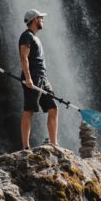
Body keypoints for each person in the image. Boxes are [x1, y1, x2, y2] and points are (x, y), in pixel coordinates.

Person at [19, 8, 58, 149]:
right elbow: (24, 57)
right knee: (29, 110)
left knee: (53, 108)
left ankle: (54, 144)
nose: (43, 20)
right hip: (33, 77)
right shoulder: (27, 36)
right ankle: (25, 147)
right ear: (35, 19)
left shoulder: (35, 37)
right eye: (41, 17)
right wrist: (28, 78)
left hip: (42, 78)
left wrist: (45, 78)